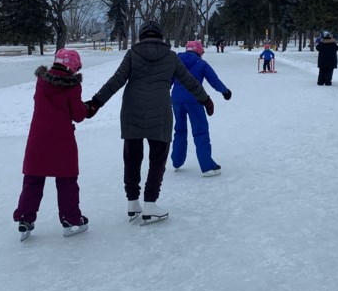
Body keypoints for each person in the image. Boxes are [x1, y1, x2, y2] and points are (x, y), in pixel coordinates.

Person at [86, 20, 214, 224]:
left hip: (132, 110)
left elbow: (116, 80)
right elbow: (188, 80)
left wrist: (96, 102)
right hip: (160, 112)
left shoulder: (133, 54)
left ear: (142, 36)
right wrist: (204, 99)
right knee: (157, 159)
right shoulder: (170, 56)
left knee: (132, 157)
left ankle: (132, 202)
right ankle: (150, 204)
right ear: (161, 37)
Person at [12, 48, 90, 241]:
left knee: (33, 180)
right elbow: (78, 115)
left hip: (38, 138)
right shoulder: (72, 86)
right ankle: (71, 219)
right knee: (67, 180)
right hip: (62, 140)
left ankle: (25, 218)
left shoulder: (41, 81)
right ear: (71, 66)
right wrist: (89, 107)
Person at [171, 40, 231, 177]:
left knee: (179, 130)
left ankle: (177, 161)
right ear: (199, 51)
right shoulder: (201, 63)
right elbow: (214, 80)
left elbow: (168, 80)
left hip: (176, 99)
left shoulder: (176, 62)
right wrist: (225, 91)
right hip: (195, 98)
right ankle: (207, 166)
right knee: (200, 131)